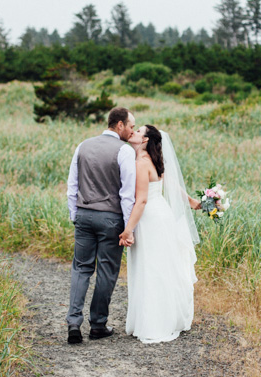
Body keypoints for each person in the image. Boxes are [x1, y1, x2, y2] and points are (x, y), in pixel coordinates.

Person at [119, 125, 201, 343]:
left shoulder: (141, 163)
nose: (133, 132)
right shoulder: (153, 160)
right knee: (161, 266)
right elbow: (171, 182)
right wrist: (191, 201)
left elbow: (142, 200)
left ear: (145, 140)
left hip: (149, 219)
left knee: (151, 267)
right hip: (162, 214)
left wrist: (128, 229)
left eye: (138, 131)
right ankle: (167, 317)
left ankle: (155, 322)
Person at [65, 107, 136, 344]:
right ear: (119, 125)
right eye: (130, 126)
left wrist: (76, 216)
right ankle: (97, 325)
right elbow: (127, 195)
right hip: (110, 219)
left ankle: (73, 323)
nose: (132, 130)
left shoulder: (82, 146)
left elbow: (72, 186)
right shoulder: (124, 152)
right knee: (106, 270)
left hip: (84, 215)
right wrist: (128, 228)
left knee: (81, 268)